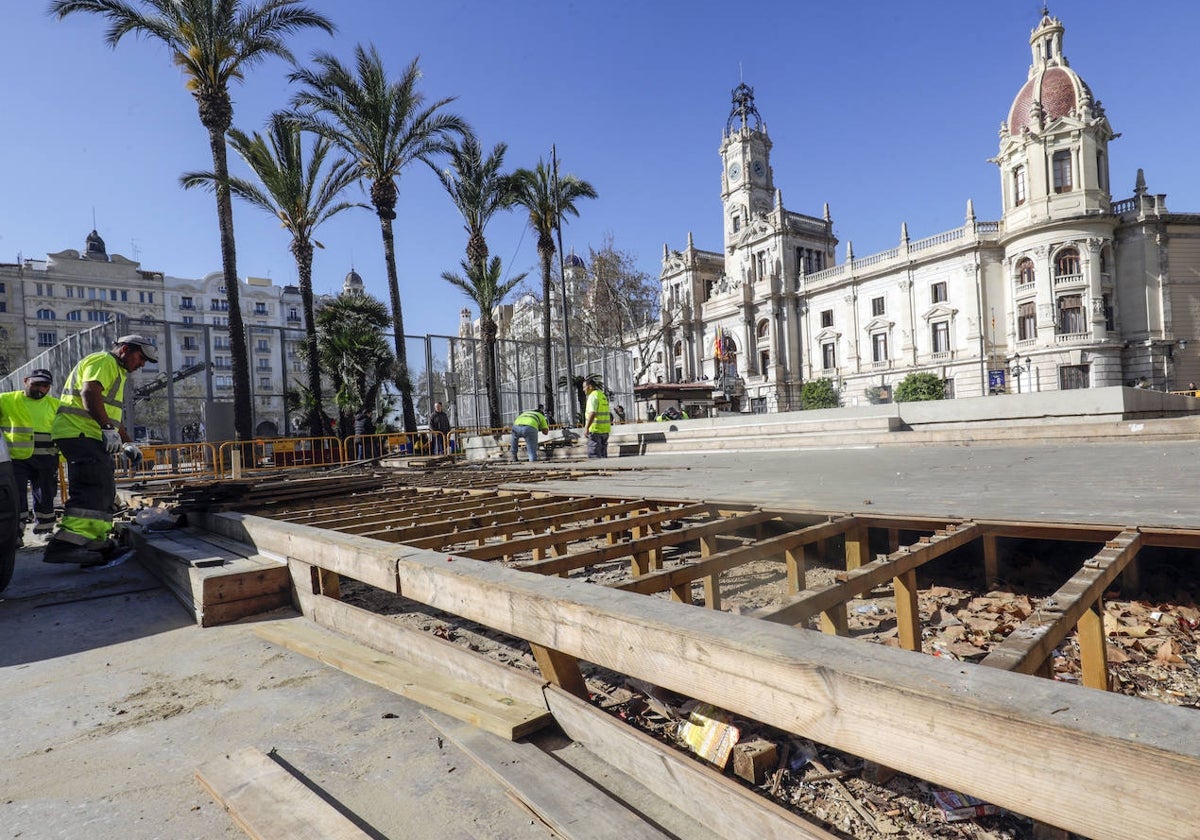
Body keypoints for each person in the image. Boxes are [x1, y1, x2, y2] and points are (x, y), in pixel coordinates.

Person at [43, 334, 155, 567]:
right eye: (141, 358)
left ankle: (94, 540)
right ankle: (66, 545)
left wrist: (126, 442)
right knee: (92, 487)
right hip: (80, 433)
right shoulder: (104, 361)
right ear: (125, 349)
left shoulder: (117, 371)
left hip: (86, 435)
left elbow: (112, 415)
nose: (142, 364)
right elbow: (89, 393)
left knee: (103, 488)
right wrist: (106, 428)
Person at [0, 369, 61, 539]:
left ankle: (44, 530)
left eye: (45, 386)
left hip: (46, 458)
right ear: (26, 381)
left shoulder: (56, 405)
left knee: (45, 494)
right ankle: (15, 534)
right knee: (15, 496)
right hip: (15, 458)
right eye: (37, 384)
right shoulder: (5, 400)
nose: (41, 389)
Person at [582, 375, 611, 459]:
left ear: (590, 387)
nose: (583, 389)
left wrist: (586, 427)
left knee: (594, 457)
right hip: (605, 431)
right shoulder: (602, 395)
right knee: (603, 456)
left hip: (595, 431)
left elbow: (592, 413)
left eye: (584, 387)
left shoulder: (592, 396)